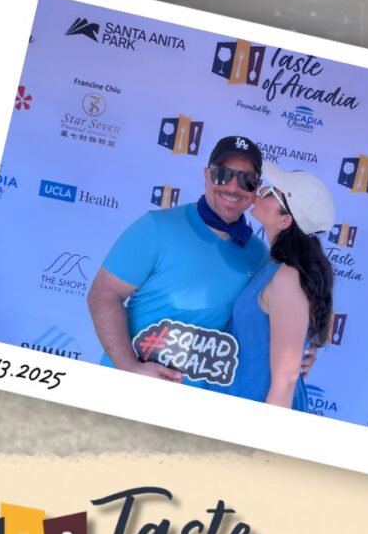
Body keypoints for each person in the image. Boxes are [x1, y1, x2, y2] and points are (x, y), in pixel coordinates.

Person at [88, 135, 267, 384]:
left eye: (246, 180)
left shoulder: (259, 255)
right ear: (207, 175)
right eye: (223, 175)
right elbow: (103, 296)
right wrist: (129, 367)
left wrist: (298, 353)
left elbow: (262, 323)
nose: (233, 187)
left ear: (256, 189)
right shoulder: (156, 227)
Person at [216, 162, 335, 410]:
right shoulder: (273, 267)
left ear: (284, 221)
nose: (260, 191)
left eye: (271, 192)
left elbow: (284, 382)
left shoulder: (287, 278)